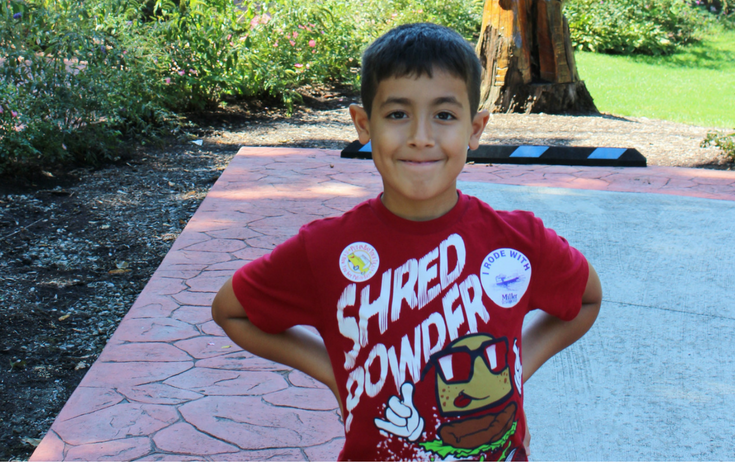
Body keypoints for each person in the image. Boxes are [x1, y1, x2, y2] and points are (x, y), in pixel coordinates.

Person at [211, 23, 602, 461]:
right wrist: (334, 373)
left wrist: (515, 370)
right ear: (364, 125)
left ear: (475, 129)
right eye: (398, 114)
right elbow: (232, 310)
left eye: (444, 115)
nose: (420, 136)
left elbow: (585, 301)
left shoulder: (518, 241)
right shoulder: (325, 250)